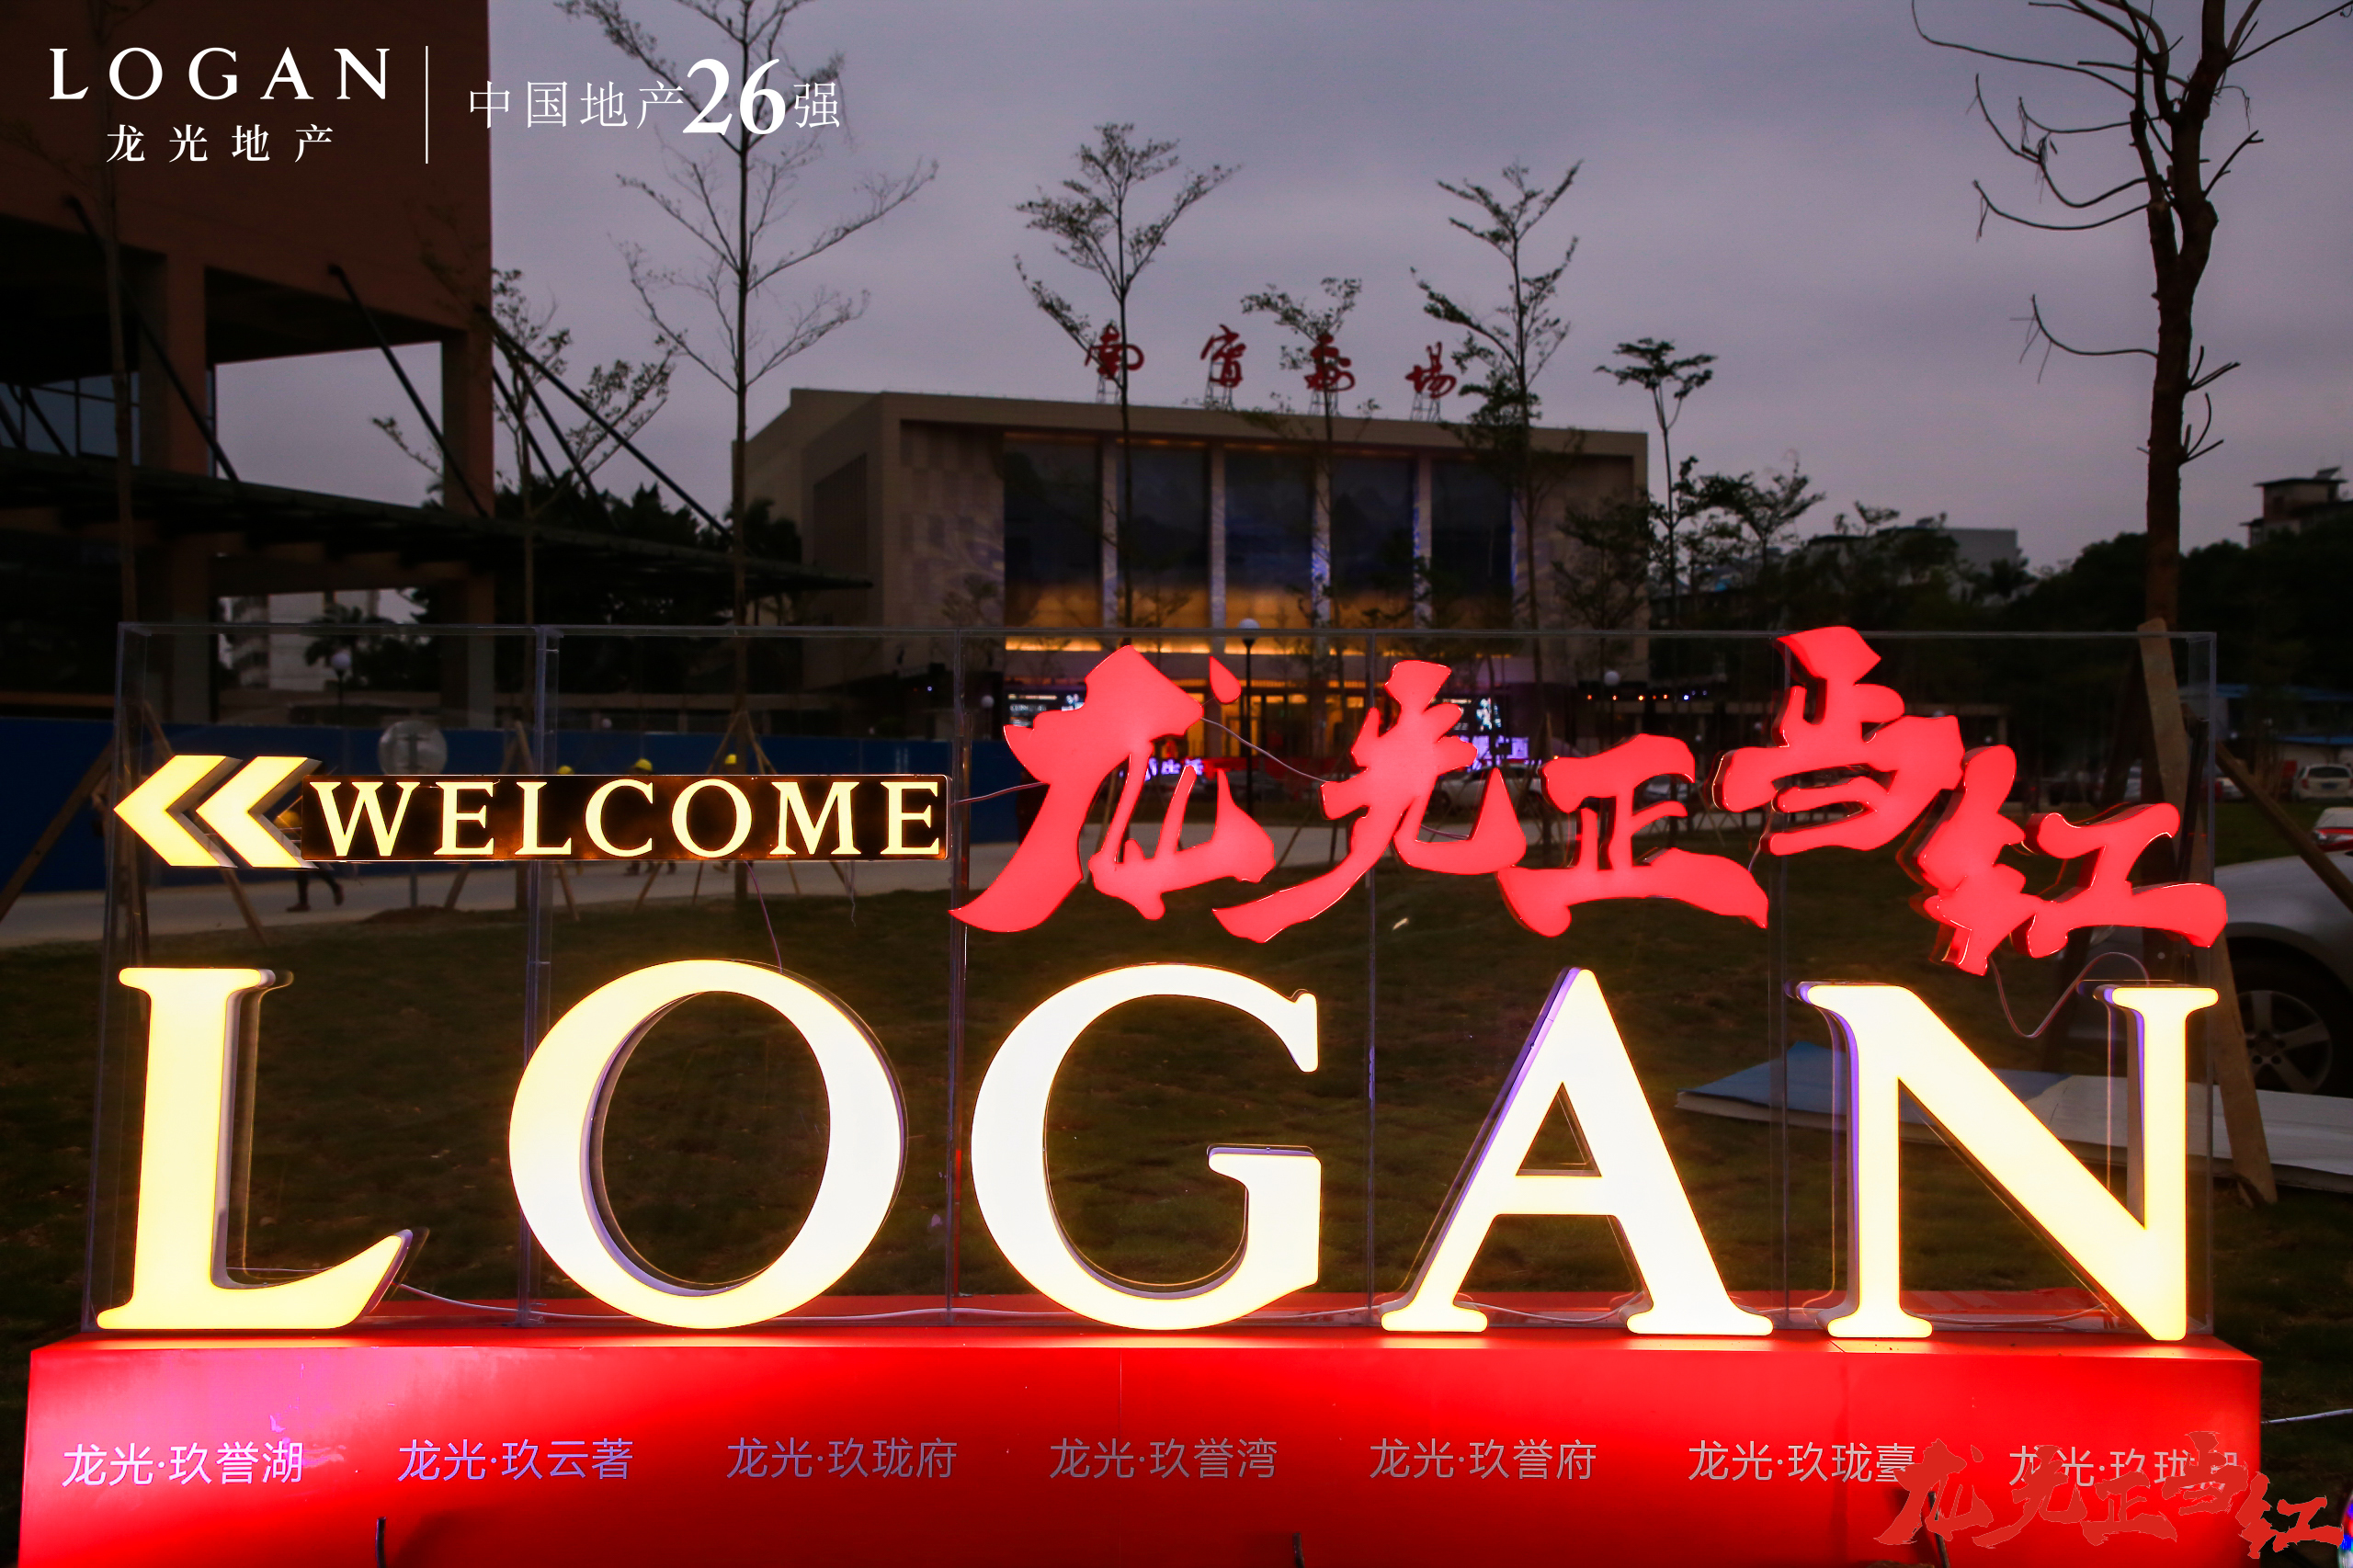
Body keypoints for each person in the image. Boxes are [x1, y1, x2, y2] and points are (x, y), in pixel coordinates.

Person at [274, 802, 343, 912]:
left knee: (304, 867)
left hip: (307, 829)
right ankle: (333, 888)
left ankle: (305, 902)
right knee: (306, 867)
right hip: (303, 828)